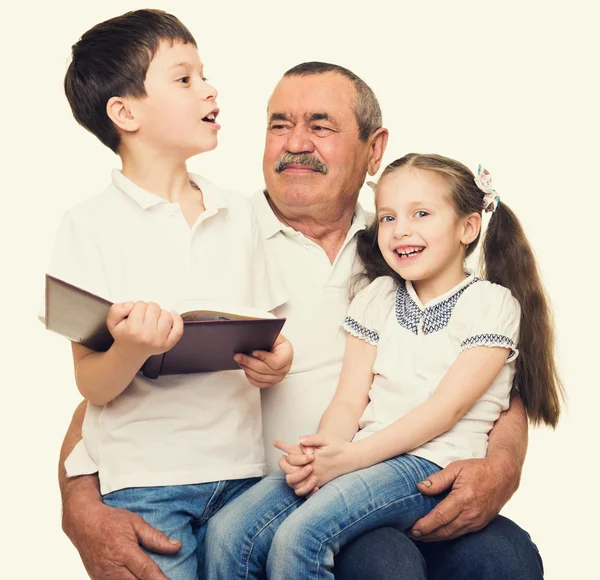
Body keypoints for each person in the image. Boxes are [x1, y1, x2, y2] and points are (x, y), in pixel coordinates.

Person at [58, 62, 545, 580]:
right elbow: (109, 387)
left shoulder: (408, 241)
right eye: (278, 125)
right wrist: (81, 507)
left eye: (320, 126)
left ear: (374, 149)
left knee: (504, 558)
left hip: (409, 472)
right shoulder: (219, 234)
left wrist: (502, 463)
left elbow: (491, 380)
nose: (296, 143)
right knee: (382, 563)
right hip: (281, 492)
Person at [205, 153, 564, 579]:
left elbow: (443, 412)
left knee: (302, 536)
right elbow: (348, 399)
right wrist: (323, 452)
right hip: (367, 457)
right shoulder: (377, 297)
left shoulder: (490, 305)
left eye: (422, 214)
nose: (401, 230)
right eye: (388, 217)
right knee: (228, 532)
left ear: (468, 227)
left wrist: (351, 458)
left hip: (431, 462)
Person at [43, 9, 293, 579]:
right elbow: (92, 384)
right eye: (184, 79)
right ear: (125, 112)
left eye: (204, 74)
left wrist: (277, 363)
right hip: (144, 485)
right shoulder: (89, 226)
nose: (210, 90)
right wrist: (131, 347)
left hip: (244, 477)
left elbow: (271, 334)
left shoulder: (239, 214)